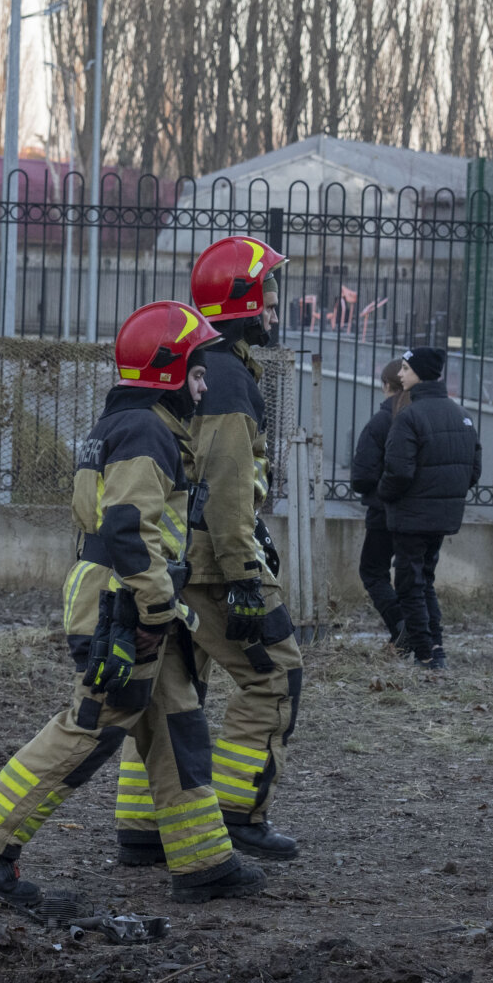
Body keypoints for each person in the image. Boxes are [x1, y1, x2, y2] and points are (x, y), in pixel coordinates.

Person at [0, 301, 268, 909]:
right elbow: (127, 527)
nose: (204, 388)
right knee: (93, 725)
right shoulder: (147, 431)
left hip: (130, 597)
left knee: (177, 726)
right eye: (198, 374)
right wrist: (154, 612)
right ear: (168, 372)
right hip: (126, 604)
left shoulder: (124, 424)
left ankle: (205, 863)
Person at [113, 236, 307, 865]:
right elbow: (225, 487)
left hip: (175, 561)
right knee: (274, 677)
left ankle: (145, 824)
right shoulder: (227, 378)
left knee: (173, 690)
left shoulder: (204, 367)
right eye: (267, 298)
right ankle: (238, 812)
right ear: (242, 302)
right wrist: (245, 575)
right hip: (216, 565)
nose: (275, 310)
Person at [377, 347, 480, 669]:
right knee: (425, 580)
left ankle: (426, 653)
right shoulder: (462, 415)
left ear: (420, 374)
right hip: (443, 515)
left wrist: (385, 494)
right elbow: (473, 470)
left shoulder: (409, 416)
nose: (400, 374)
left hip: (411, 516)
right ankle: (436, 647)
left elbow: (398, 471)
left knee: (410, 585)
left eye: (406, 369)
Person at [349, 358, 411, 646]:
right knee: (414, 576)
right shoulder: (420, 417)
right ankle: (417, 632)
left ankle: (401, 627)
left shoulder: (381, 421)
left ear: (386, 385)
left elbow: (362, 475)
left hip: (383, 511)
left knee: (373, 571)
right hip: (418, 513)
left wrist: (379, 490)